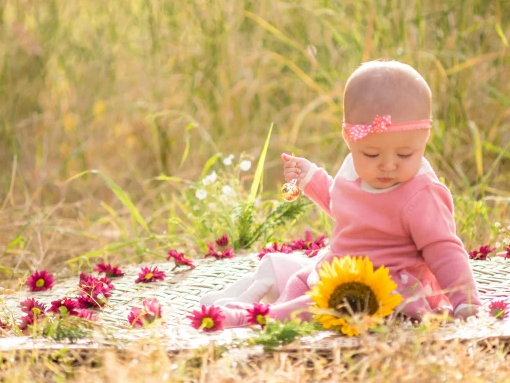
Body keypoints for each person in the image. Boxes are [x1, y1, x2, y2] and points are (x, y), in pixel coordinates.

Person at [201, 60, 481, 328]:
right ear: (349, 139)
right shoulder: (354, 171)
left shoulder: (421, 195)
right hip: (340, 267)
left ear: (424, 138)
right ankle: (241, 297)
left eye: (405, 154)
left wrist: (464, 301)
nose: (387, 164)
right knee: (286, 273)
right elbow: (343, 206)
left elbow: (445, 251)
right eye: (371, 153)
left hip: (385, 285)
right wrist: (310, 177)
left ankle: (255, 316)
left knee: (325, 305)